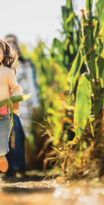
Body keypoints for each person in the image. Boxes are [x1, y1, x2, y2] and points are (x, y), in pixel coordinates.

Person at [4, 34, 39, 176]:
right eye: (8, 43)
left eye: (13, 43)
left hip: (21, 107)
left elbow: (32, 85)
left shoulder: (26, 65)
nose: (11, 45)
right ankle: (9, 167)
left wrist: (35, 105)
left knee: (18, 133)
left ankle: (19, 165)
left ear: (17, 46)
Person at [0, 39, 22, 173]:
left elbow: (15, 88)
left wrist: (16, 100)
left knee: (2, 147)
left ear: (3, 54)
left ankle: (1, 155)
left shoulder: (7, 72)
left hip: (3, 116)